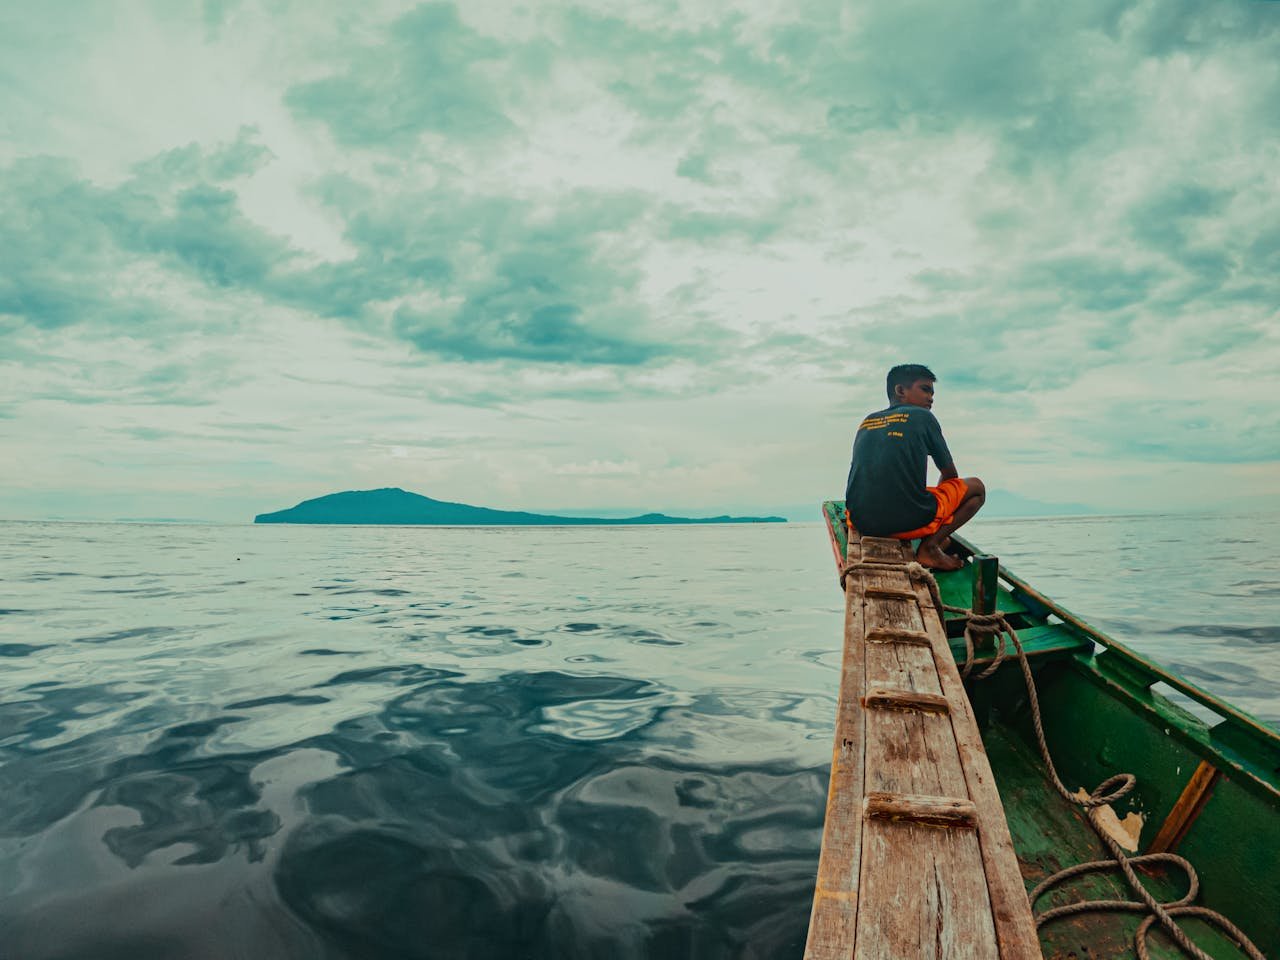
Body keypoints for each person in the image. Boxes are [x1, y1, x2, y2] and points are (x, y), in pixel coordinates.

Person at [843, 364, 985, 571]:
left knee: (922, 495)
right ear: (900, 391)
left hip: (860, 521)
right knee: (976, 488)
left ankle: (930, 533)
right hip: (907, 521)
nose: (931, 398)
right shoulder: (923, 417)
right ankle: (930, 547)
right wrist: (939, 520)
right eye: (925, 389)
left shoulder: (868, 421)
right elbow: (950, 475)